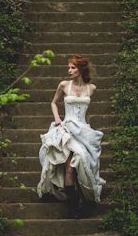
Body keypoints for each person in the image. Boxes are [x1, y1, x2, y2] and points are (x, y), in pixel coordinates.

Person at [36, 54, 106, 218]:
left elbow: (85, 112)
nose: (69, 70)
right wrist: (58, 119)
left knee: (81, 165)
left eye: (73, 67)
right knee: (68, 169)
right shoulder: (64, 85)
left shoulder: (91, 88)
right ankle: (73, 207)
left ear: (81, 69)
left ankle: (83, 201)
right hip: (67, 130)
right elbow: (53, 102)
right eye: (69, 67)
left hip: (83, 131)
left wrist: (87, 128)